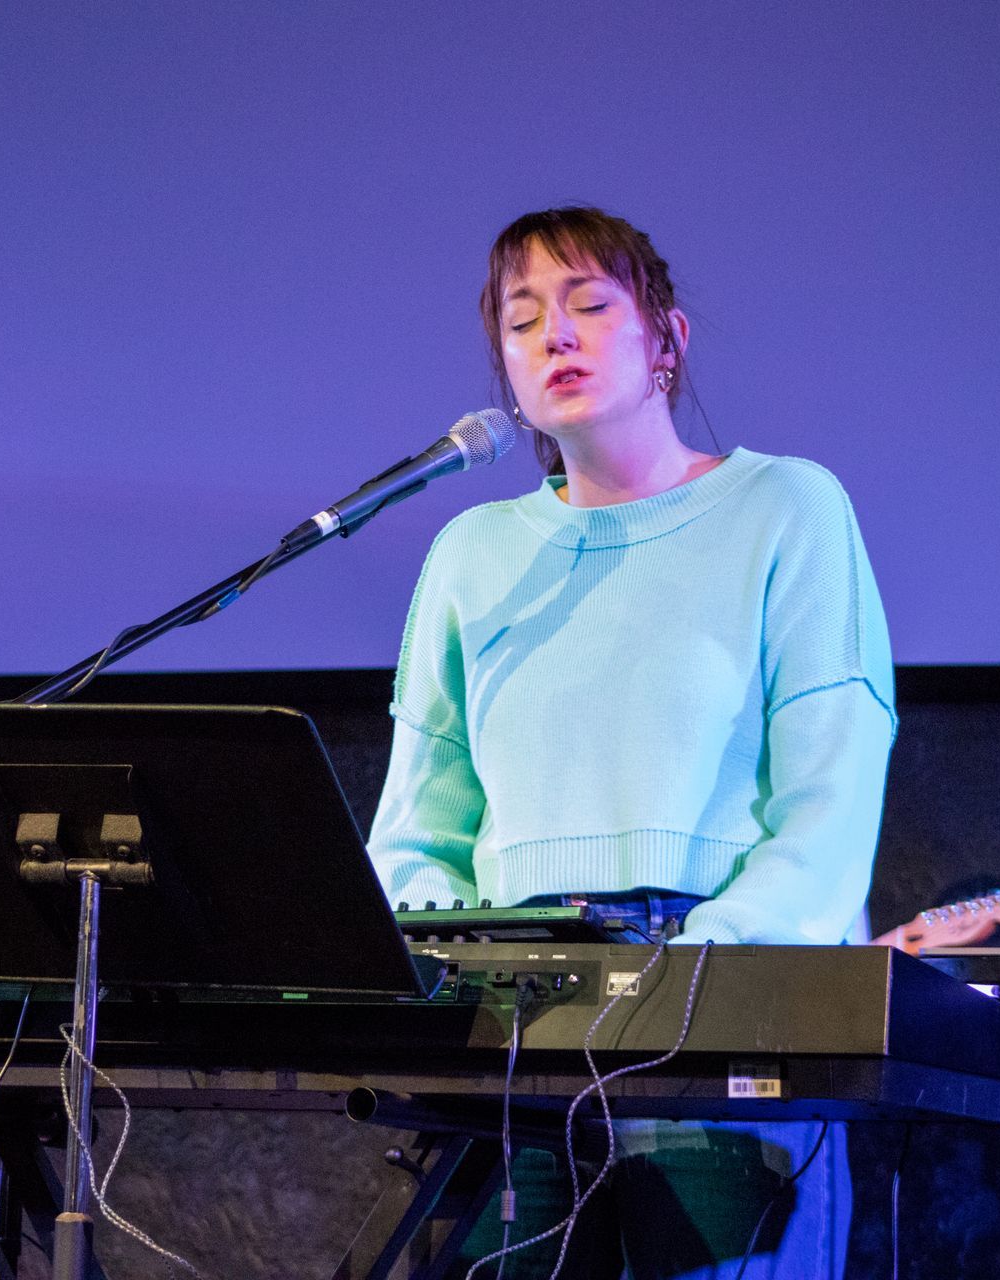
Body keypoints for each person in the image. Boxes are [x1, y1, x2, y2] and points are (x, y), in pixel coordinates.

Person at [366, 206, 896, 1279]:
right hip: (510, 1025)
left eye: (590, 305)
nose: (553, 336)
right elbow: (416, 822)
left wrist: (704, 968)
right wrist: (436, 955)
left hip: (718, 1018)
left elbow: (831, 787)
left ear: (667, 339)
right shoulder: (472, 552)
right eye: (523, 321)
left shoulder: (787, 507)